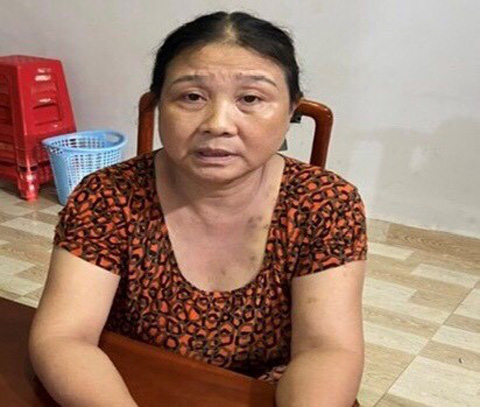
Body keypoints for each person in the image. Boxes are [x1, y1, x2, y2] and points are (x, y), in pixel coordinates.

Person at [29, 11, 367, 407]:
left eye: (250, 98)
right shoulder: (108, 197)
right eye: (192, 97)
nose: (218, 123)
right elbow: (64, 336)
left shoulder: (326, 203)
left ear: (292, 108)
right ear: (158, 104)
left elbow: (327, 349)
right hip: (131, 385)